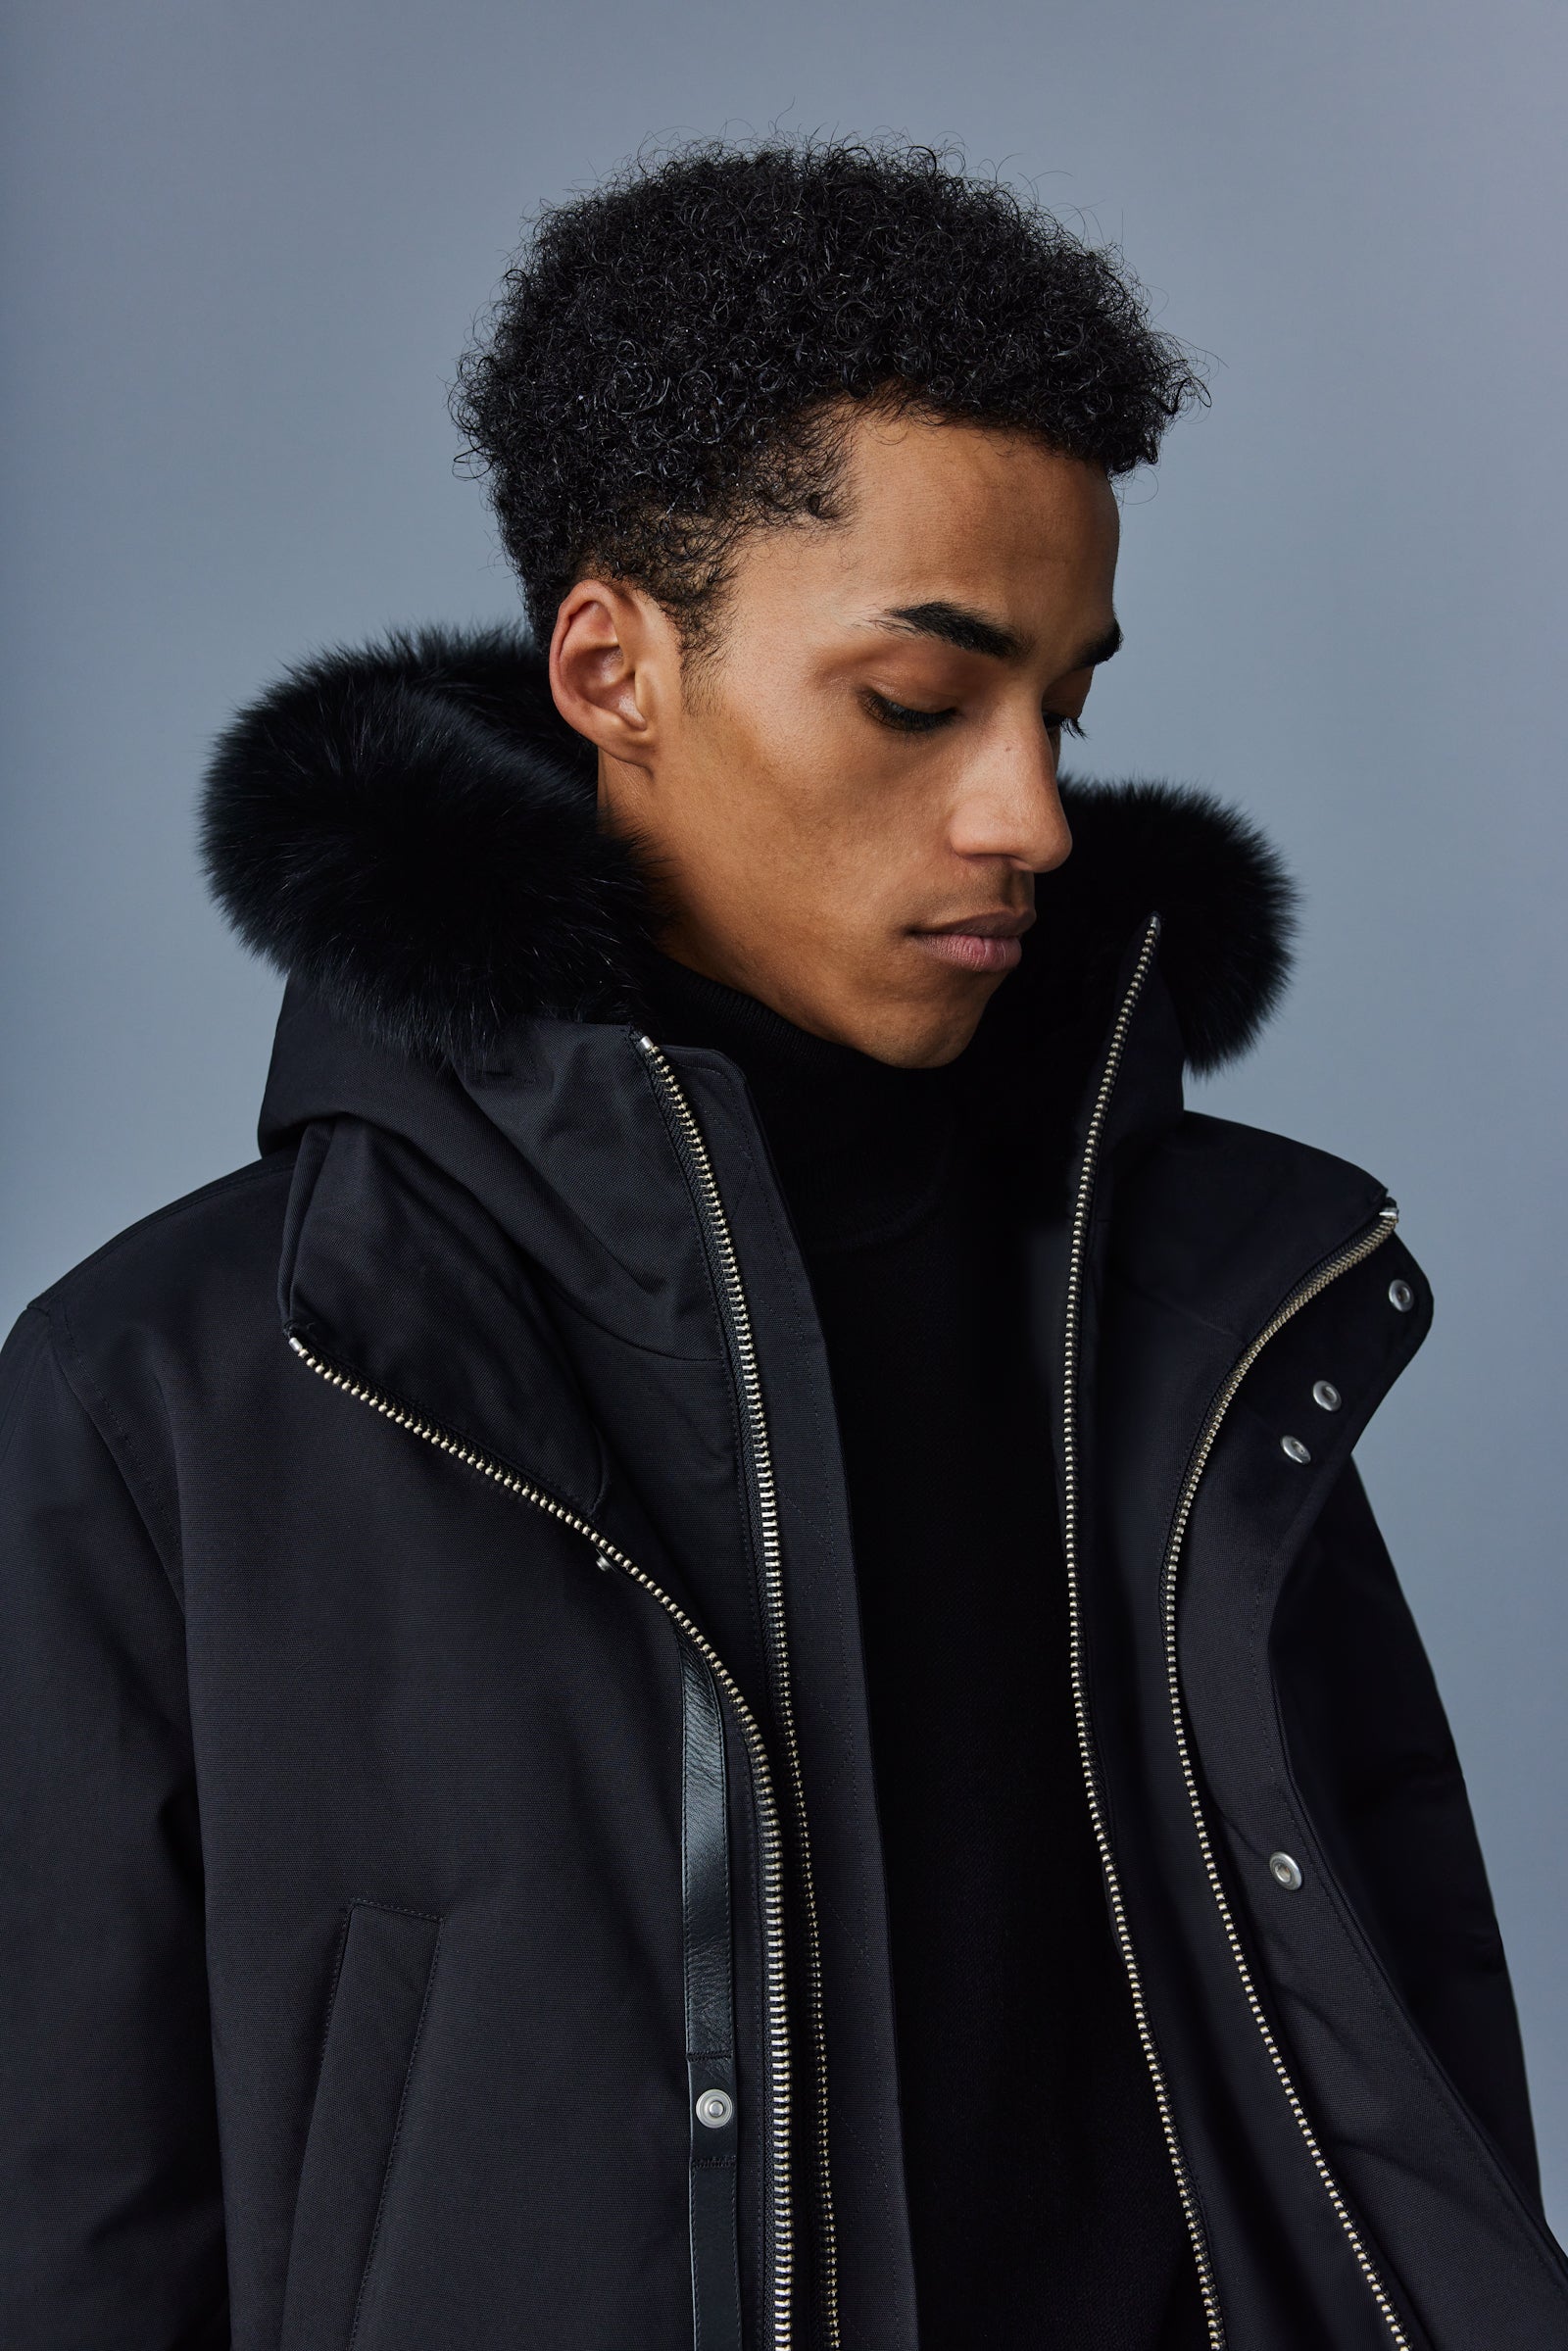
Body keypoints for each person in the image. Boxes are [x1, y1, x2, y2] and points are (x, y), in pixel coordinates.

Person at [1, 137, 1562, 2351]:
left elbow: (1409, 2061)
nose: (1028, 813)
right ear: (613, 665)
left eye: (1064, 709)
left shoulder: (1191, 1326)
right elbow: (71, 2225)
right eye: (917, 702)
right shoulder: (181, 1394)